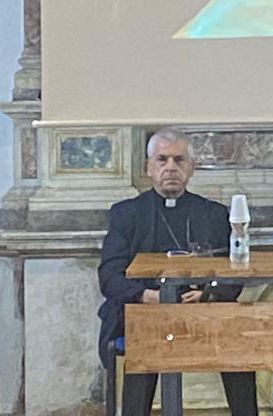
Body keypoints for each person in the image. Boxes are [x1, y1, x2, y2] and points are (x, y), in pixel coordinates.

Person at [97, 127, 258, 416]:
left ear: (191, 167)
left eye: (179, 160)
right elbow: (109, 277)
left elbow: (234, 272)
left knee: (237, 336)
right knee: (143, 333)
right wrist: (148, 296)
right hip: (146, 310)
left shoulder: (213, 214)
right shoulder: (126, 214)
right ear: (149, 168)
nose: (170, 167)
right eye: (162, 160)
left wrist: (207, 294)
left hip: (203, 313)